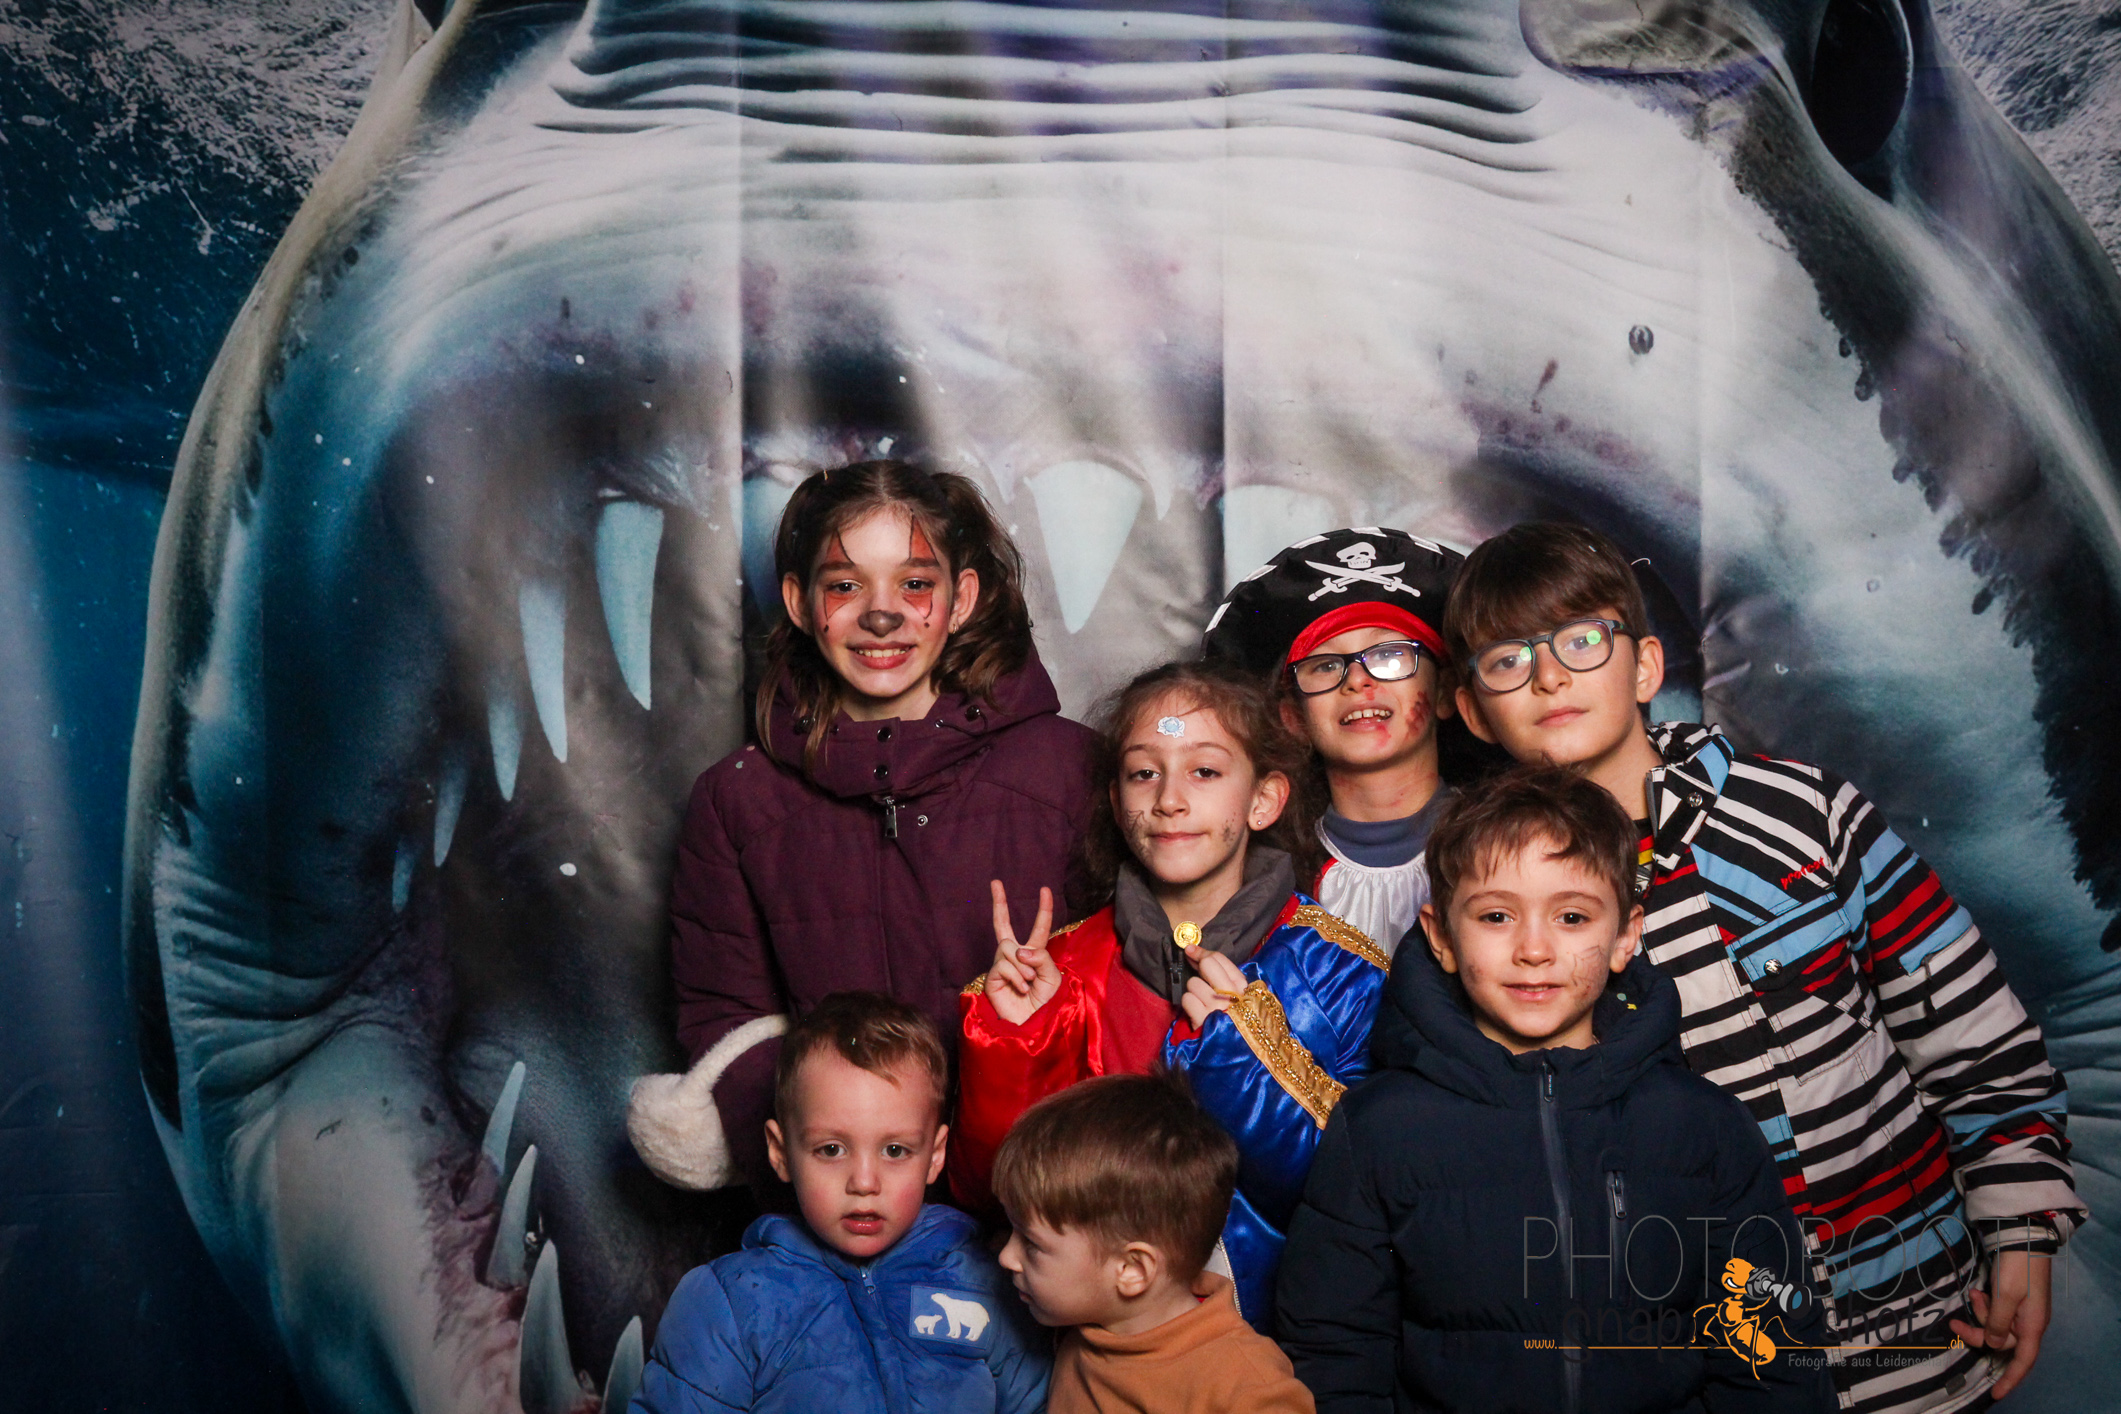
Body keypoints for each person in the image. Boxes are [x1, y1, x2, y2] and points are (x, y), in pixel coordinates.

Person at [1441, 521, 2084, 1413]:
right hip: (1706, 1372)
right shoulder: (1500, 912)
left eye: (1581, 640)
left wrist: (2019, 1226)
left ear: (1644, 667)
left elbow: (1973, 1034)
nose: (1548, 676)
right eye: (1508, 659)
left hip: (1921, 1333)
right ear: (1472, 711)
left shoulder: (1803, 815)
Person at [1277, 767, 1836, 1413]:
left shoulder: (1703, 1125)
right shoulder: (1379, 1128)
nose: (1534, 949)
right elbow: (1334, 1353)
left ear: (1625, 937)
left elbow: (1770, 1360)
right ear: (1441, 937)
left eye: (1571, 917)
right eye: (1496, 916)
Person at [630, 461, 1096, 1191]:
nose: (883, 615)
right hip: (838, 1209)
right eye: (845, 586)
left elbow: (1125, 998)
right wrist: (835, 1170)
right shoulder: (737, 800)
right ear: (797, 602)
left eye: (914, 584)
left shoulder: (1068, 770)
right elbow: (728, 1018)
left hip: (1044, 1198)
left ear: (962, 599)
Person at [955, 660, 1381, 1329]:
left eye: (1204, 771)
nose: (1169, 800)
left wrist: (1238, 1060)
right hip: (1095, 1349)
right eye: (1143, 773)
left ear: (1264, 799)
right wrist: (1015, 1045)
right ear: (1116, 801)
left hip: (1283, 1343)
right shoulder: (1059, 972)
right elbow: (989, 1194)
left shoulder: (1339, 968)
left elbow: (1365, 1195)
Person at [633, 992, 1049, 1414]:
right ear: (780, 1152)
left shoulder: (983, 1282)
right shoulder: (728, 1303)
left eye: (895, 1151)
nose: (864, 1183)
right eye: (831, 1149)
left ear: (935, 1155)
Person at [1204, 528, 1479, 955]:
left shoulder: (1509, 841)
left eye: (1390, 655)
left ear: (1444, 693)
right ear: (1293, 718)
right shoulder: (1265, 877)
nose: (1358, 681)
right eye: (1325, 665)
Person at [993, 1073, 1314, 1414]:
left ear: (1132, 1269)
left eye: (1031, 1244)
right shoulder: (1083, 1319)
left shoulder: (1244, 1388)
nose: (1005, 1257)